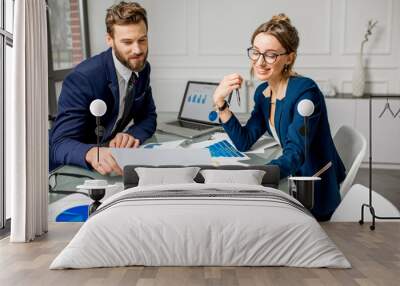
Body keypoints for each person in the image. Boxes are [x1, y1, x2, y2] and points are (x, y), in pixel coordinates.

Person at [213, 14, 346, 221]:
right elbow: (244, 140)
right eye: (255, 52)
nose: (260, 62)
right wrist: (221, 102)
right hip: (289, 178)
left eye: (271, 55)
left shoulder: (306, 92)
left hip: (312, 191)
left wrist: (257, 176)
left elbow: (295, 153)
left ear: (289, 57)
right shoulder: (263, 93)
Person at [49, 1, 157, 176]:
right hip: (65, 170)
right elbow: (59, 144)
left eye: (142, 40)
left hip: (108, 166)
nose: (137, 50)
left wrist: (130, 136)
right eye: (127, 42)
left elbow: (148, 117)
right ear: (110, 40)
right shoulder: (83, 78)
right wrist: (91, 153)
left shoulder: (142, 68)